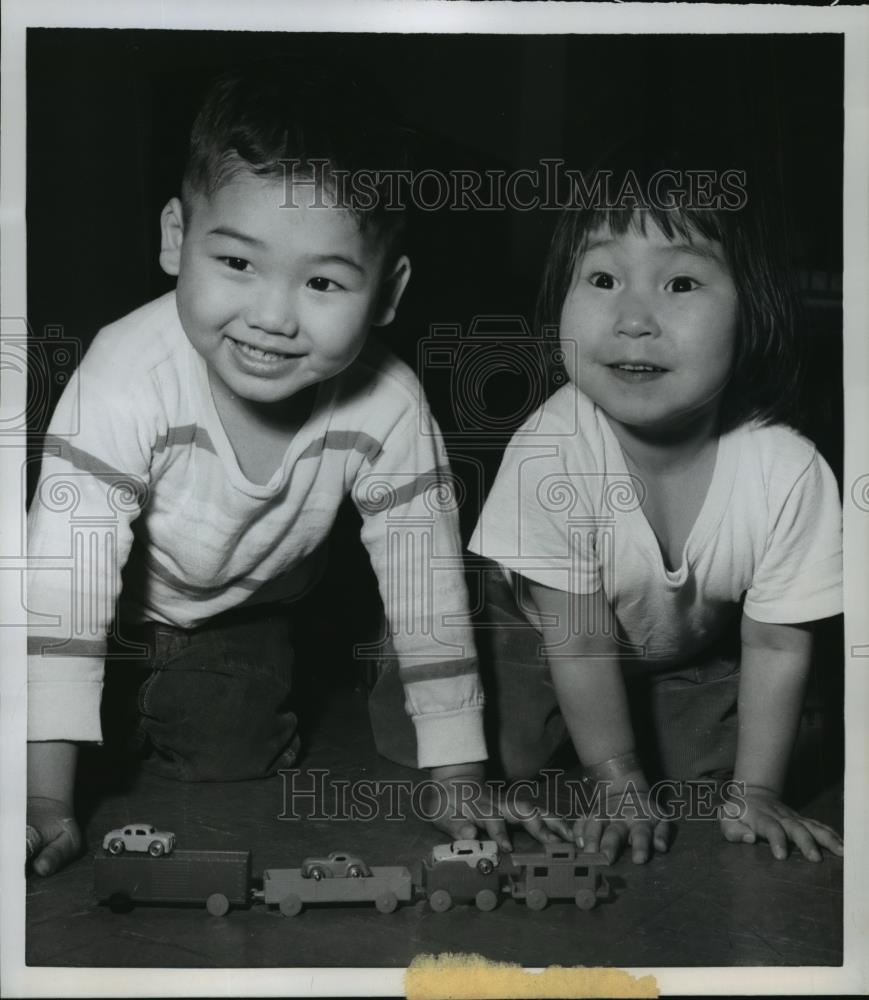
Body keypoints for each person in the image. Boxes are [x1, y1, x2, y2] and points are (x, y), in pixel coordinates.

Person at [26, 63, 565, 876]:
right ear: (175, 238)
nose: (272, 317)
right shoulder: (124, 372)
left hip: (238, 617)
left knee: (229, 744)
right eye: (238, 264)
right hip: (103, 593)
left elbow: (425, 590)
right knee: (37, 677)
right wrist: (46, 799)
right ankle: (85, 714)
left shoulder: (387, 404)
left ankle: (135, 704)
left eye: (321, 281)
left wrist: (458, 774)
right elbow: (66, 587)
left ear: (387, 292)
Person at [468, 142, 845, 866]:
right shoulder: (552, 450)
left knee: (765, 744)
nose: (633, 318)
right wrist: (615, 779)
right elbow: (575, 642)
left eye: (679, 284)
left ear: (753, 304)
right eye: (603, 277)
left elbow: (773, 641)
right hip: (539, 634)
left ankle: (655, 728)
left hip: (679, 647)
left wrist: (756, 791)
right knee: (510, 743)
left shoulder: (786, 469)